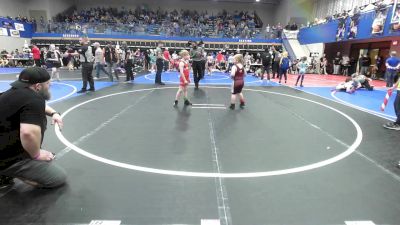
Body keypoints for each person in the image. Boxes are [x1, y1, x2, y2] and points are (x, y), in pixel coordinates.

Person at [0, 67, 67, 189]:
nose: (50, 85)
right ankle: (8, 172)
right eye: (48, 83)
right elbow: (28, 133)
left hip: (3, 146)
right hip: (7, 158)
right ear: (38, 86)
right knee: (57, 177)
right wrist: (36, 155)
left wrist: (54, 113)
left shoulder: (11, 93)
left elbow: (36, 105)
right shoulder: (34, 99)